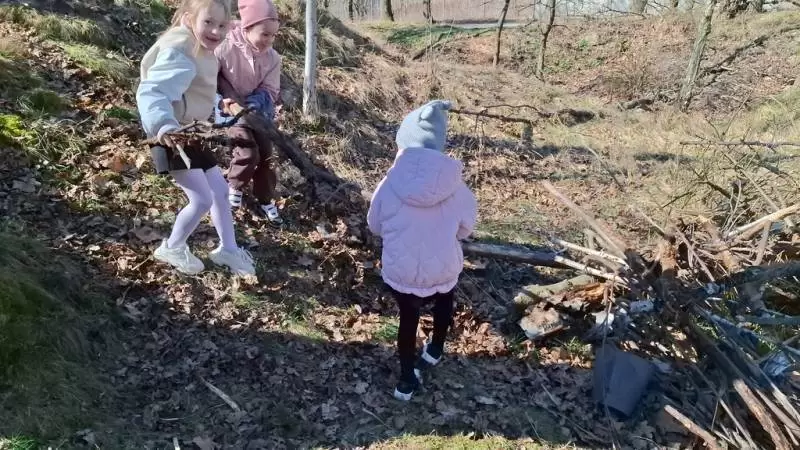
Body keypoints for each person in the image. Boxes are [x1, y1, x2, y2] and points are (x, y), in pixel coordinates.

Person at [366, 100, 478, 401]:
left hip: (401, 269)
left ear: (403, 141)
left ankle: (405, 381)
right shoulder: (456, 185)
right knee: (444, 299)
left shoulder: (388, 183)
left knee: (408, 318)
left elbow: (374, 225)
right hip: (443, 266)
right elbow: (466, 229)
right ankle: (436, 349)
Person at [136, 0, 256, 277]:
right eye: (208, 22)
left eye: (222, 25)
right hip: (171, 136)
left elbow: (195, 89)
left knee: (220, 192)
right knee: (201, 198)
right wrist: (163, 126)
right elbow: (153, 91)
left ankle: (228, 249)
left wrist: (219, 105)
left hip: (191, 133)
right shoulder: (181, 48)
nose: (215, 31)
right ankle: (172, 247)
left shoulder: (201, 48)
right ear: (190, 19)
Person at [214, 0, 284, 225]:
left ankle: (265, 198)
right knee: (247, 152)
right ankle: (234, 186)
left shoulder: (272, 58)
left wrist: (254, 104)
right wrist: (227, 101)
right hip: (231, 111)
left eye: (273, 35)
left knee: (267, 156)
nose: (269, 40)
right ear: (247, 28)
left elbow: (270, 89)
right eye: (264, 34)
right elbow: (210, 76)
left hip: (259, 113)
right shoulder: (225, 46)